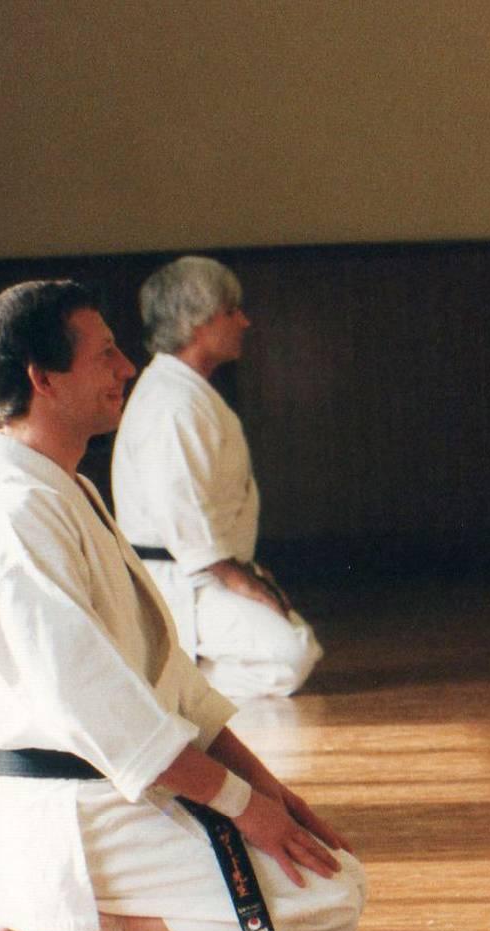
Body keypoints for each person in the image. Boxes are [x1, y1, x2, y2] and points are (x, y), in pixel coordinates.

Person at [0, 280, 364, 931]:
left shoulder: (66, 490)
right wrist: (241, 806)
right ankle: (69, 927)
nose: (126, 368)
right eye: (104, 355)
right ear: (43, 379)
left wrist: (271, 793)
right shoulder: (12, 513)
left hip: (105, 795)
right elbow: (99, 706)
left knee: (333, 876)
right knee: (323, 908)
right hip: (61, 814)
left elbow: (174, 686)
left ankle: (72, 917)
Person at [111, 256, 322, 699]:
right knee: (291, 655)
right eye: (232, 311)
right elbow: (179, 507)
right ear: (196, 322)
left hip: (201, 572)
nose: (244, 321)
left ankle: (179, 678)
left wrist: (246, 574)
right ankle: (177, 690)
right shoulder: (172, 403)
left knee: (296, 642)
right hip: (180, 580)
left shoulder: (185, 392)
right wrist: (236, 578)